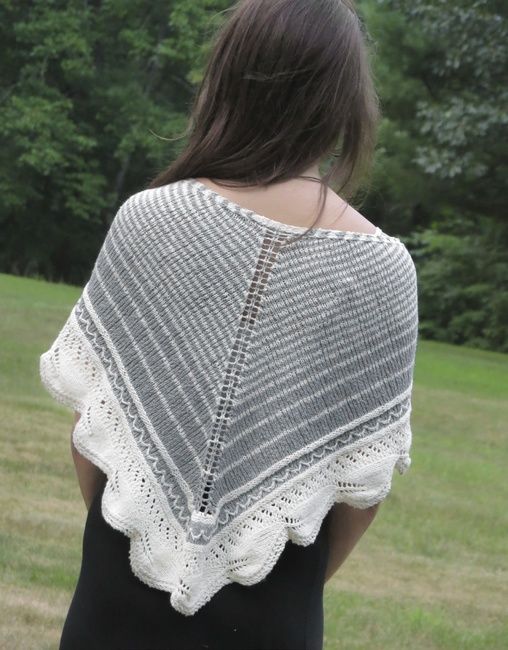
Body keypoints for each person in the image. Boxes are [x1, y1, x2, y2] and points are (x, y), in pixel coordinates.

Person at [39, 1, 419, 648]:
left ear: (227, 82)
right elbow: (363, 487)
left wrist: (148, 525)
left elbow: (91, 429)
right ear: (344, 104)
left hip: (116, 591)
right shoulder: (383, 267)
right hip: (277, 608)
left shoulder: (150, 219)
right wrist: (281, 585)